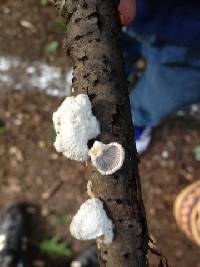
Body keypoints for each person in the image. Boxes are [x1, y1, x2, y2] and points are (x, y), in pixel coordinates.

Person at [119, 0, 200, 153]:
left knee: (166, 90)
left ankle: (136, 117)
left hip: (189, 35)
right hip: (126, 12)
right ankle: (101, 77)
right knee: (114, 51)